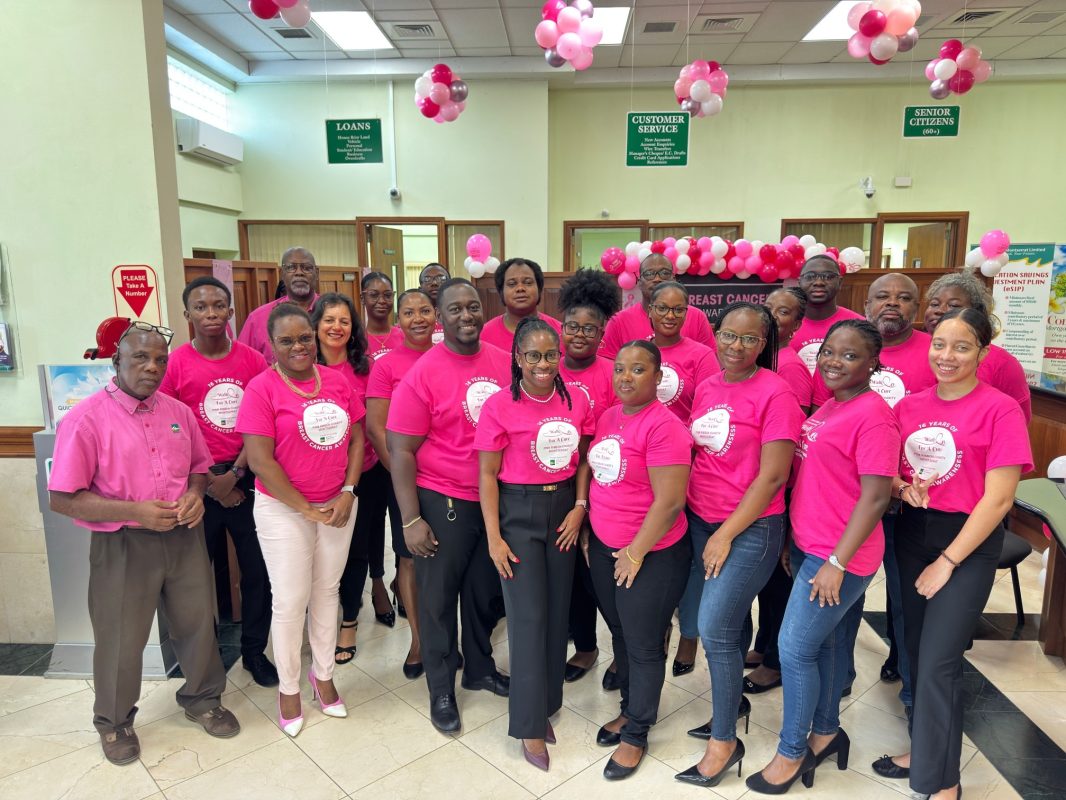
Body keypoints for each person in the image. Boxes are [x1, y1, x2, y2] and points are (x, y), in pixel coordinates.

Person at [48, 322, 240, 765]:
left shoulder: (179, 412)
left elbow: (198, 468)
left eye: (159, 359)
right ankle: (114, 722)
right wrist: (134, 511)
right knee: (120, 637)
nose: (152, 366)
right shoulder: (86, 419)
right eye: (140, 357)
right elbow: (63, 498)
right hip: (123, 545)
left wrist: (195, 495)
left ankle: (202, 699)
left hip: (182, 536)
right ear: (117, 361)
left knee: (196, 624)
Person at [874, 308, 1032, 800]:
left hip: (967, 541)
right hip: (912, 534)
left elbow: (1000, 498)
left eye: (961, 347)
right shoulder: (910, 406)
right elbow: (889, 471)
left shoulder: (999, 408)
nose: (946, 356)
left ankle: (942, 780)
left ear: (982, 353)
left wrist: (948, 561)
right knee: (917, 654)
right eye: (939, 344)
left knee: (941, 658)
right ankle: (926, 747)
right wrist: (903, 488)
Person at [748, 320, 899, 795]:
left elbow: (875, 498)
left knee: (794, 650)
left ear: (873, 362)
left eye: (849, 355)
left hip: (839, 557)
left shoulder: (873, 415)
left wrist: (836, 561)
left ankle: (792, 751)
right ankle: (827, 731)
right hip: (813, 545)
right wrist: (797, 539)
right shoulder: (834, 405)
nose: (833, 361)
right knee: (830, 646)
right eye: (829, 352)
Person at [675, 303, 803, 789]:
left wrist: (727, 534)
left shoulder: (777, 392)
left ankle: (725, 741)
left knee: (715, 626)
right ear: (716, 335)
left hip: (749, 529)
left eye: (750, 339)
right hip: (701, 519)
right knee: (732, 621)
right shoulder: (707, 386)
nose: (736, 346)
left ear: (764, 344)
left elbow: (773, 476)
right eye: (728, 335)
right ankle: (732, 704)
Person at [387, 278, 512, 733]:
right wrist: (411, 519)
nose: (466, 315)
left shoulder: (503, 363)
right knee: (438, 600)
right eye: (455, 308)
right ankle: (442, 686)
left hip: (493, 502)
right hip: (444, 500)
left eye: (473, 307)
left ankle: (479, 669)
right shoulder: (424, 371)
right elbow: (400, 449)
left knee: (483, 594)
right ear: (440, 317)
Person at [236, 304, 365, 737]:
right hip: (283, 509)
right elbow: (259, 460)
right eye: (287, 340)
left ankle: (323, 677)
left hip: (338, 504)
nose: (298, 346)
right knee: (291, 601)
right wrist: (305, 508)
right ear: (271, 345)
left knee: (327, 592)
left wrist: (348, 491)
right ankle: (289, 688)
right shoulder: (261, 388)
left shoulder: (338, 381)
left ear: (315, 336)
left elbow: (358, 435)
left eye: (304, 337)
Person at [475, 317, 594, 771]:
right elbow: (486, 474)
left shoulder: (576, 399)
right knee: (526, 619)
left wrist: (580, 506)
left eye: (550, 355)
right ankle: (527, 724)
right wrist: (493, 538)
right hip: (517, 513)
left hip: (562, 510)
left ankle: (544, 705)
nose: (543, 364)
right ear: (517, 358)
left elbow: (583, 458)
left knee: (555, 614)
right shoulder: (499, 405)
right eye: (533, 356)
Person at [158, 277, 277, 688]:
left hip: (247, 476)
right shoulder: (173, 365)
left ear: (231, 312)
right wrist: (209, 482)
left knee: (257, 571)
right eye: (201, 306)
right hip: (197, 484)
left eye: (218, 306)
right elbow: (170, 427)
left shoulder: (252, 362)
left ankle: (254, 653)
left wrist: (237, 475)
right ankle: (204, 659)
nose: (211, 313)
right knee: (195, 577)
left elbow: (265, 424)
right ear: (187, 313)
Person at [586, 340, 692, 781]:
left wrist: (634, 553)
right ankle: (630, 710)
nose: (625, 377)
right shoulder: (609, 417)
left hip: (652, 554)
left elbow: (669, 503)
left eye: (638, 370)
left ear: (658, 377)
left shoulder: (664, 427)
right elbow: (602, 475)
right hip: (607, 547)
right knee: (621, 634)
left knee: (644, 644)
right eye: (620, 370)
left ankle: (638, 732)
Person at [863, 273, 937, 706]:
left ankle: (913, 701)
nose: (893, 304)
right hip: (854, 495)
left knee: (907, 599)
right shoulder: (851, 346)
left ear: (918, 307)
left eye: (904, 298)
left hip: (914, 500)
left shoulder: (935, 352)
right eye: (883, 297)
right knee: (844, 595)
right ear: (867, 304)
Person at [311, 293, 395, 670]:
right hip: (314, 478)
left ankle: (349, 621)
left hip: (365, 472)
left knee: (358, 547)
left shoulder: (365, 369)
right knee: (319, 555)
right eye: (329, 320)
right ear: (315, 325)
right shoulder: (302, 367)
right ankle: (318, 621)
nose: (336, 327)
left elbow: (376, 423)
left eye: (344, 321)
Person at [365, 288, 438, 679]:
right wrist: (400, 475)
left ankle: (447, 637)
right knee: (409, 556)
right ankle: (418, 640)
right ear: (399, 319)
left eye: (425, 310)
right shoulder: (387, 364)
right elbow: (377, 427)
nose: (418, 318)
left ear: (436, 314)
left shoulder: (449, 355)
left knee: (446, 557)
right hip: (403, 477)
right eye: (408, 312)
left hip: (448, 478)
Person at [555, 270, 622, 686]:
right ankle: (585, 646)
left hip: (606, 488)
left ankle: (624, 648)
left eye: (590, 329)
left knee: (604, 578)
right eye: (573, 327)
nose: (580, 335)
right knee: (572, 578)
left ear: (603, 333)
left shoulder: (616, 372)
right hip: (556, 488)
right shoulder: (546, 366)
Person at [651, 281, 719, 676]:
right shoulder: (640, 350)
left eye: (679, 309)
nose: (671, 315)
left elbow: (708, 411)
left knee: (691, 558)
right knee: (655, 548)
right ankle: (657, 624)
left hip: (687, 465)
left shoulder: (702, 355)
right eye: (663, 307)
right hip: (642, 469)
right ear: (651, 310)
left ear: (688, 312)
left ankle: (689, 634)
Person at [923, 269, 1032, 422]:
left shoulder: (1003, 363)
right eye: (934, 304)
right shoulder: (915, 349)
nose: (940, 310)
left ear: (976, 312)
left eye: (953, 306)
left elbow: (1018, 421)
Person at [600, 254, 713, 358]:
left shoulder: (697, 317)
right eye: (649, 274)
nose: (657, 279)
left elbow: (710, 363)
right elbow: (607, 368)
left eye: (664, 273)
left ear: (674, 279)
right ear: (639, 282)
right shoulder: (619, 322)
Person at [238, 247, 320, 363]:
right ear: (282, 274)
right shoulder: (257, 318)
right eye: (291, 267)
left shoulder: (333, 312)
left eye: (306, 268)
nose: (299, 273)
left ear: (316, 273)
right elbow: (242, 362)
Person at [790, 255, 864, 376]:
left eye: (828, 276)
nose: (819, 282)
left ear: (840, 283)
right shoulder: (784, 323)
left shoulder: (860, 326)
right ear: (799, 283)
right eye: (810, 276)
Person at [479, 258, 563, 351]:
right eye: (512, 284)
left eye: (528, 282)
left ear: (539, 289)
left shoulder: (561, 332)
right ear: (501, 292)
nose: (520, 288)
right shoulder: (483, 335)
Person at [765, 287, 813, 413]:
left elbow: (795, 418)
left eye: (783, 312)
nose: (771, 315)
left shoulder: (791, 367)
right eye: (768, 308)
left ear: (796, 325)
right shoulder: (762, 355)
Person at [362, 271, 404, 356]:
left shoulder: (405, 337)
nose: (381, 301)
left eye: (388, 295)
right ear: (362, 298)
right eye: (374, 295)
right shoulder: (356, 340)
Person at [419, 262, 450, 344]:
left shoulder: (459, 315)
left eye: (441, 278)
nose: (434, 283)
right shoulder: (414, 320)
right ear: (420, 288)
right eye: (427, 279)